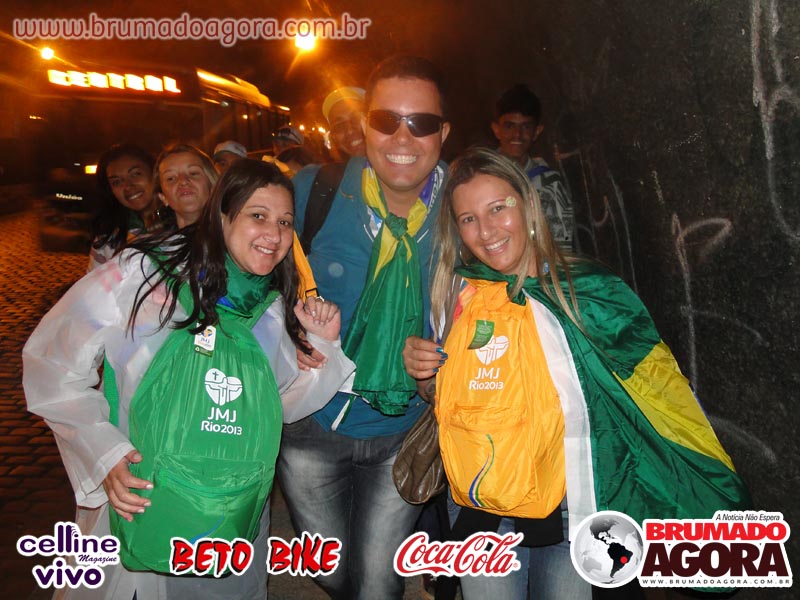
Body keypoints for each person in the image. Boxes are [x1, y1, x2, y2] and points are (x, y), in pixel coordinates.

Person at [403, 147, 750, 599]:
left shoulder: (588, 292)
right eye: (468, 219)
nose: (486, 231)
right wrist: (424, 375)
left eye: (498, 208)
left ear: (527, 205)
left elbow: (656, 395)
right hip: (484, 511)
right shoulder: (458, 293)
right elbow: (446, 401)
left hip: (572, 513)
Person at [23, 159, 356, 600]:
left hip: (227, 515)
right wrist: (103, 453)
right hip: (138, 497)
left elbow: (280, 405)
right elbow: (53, 362)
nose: (274, 235)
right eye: (258, 215)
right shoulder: (143, 275)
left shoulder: (271, 309)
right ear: (221, 216)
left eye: (285, 222)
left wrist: (324, 344)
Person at [277, 56, 451, 600]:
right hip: (310, 425)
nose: (402, 136)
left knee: (378, 584)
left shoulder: (464, 209)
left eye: (421, 123)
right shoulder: (315, 191)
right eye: (386, 119)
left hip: (404, 430)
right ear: (366, 124)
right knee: (329, 572)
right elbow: (246, 264)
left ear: (443, 134)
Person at [492, 83, 575, 251]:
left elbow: (562, 248)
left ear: (537, 131)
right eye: (509, 126)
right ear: (496, 130)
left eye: (526, 127)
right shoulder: (478, 177)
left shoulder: (549, 184)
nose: (517, 134)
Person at [88, 144, 159, 272]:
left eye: (136, 174)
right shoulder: (107, 241)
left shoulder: (183, 223)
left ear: (155, 173)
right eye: (117, 182)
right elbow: (94, 282)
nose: (128, 186)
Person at [154, 143, 218, 229]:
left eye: (193, 173)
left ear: (213, 185)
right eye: (171, 178)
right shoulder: (151, 238)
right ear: (163, 197)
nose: (183, 181)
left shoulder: (233, 233)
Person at [322, 86, 366, 160]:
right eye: (339, 126)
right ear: (334, 137)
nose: (350, 131)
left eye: (356, 118)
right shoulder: (352, 165)